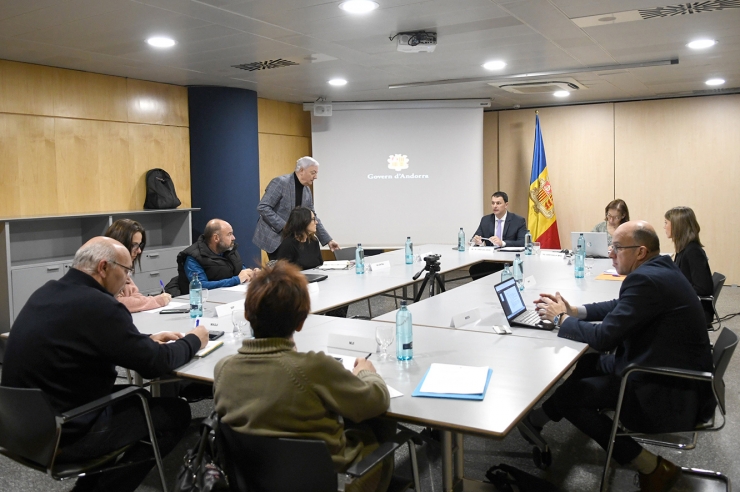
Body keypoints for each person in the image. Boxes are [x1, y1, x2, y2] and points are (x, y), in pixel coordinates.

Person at [1, 237, 208, 492]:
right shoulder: (100, 305)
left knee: (136, 398)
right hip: (66, 431)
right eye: (127, 271)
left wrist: (143, 340)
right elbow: (155, 364)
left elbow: (88, 338)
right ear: (103, 267)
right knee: (174, 412)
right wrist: (193, 340)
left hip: (18, 427)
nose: (127, 280)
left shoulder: (47, 292)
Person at [526, 221, 714, 492]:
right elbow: (620, 306)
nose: (611, 253)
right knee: (588, 362)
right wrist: (575, 310)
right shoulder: (659, 268)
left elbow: (605, 339)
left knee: (572, 397)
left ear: (640, 251)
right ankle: (539, 418)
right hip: (666, 366)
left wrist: (562, 319)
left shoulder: (646, 279)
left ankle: (651, 466)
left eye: (616, 248)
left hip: (666, 386)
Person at [214, 261, 393, 492]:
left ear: (247, 314)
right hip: (335, 482)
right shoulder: (314, 368)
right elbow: (376, 400)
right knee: (380, 425)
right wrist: (367, 372)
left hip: (256, 481)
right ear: (300, 322)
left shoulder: (223, 369)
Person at [253, 156, 340, 260]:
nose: (316, 177)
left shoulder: (307, 190)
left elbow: (313, 216)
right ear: (302, 170)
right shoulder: (280, 183)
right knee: (283, 272)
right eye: (313, 173)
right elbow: (263, 207)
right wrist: (285, 227)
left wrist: (328, 240)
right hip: (274, 237)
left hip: (293, 238)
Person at [174, 218, 257, 295]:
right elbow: (201, 286)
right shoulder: (193, 257)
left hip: (227, 295)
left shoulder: (229, 249)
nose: (233, 238)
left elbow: (238, 268)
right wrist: (237, 280)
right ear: (216, 238)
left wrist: (250, 274)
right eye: (229, 234)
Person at [104, 218, 171, 312]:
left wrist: (147, 301)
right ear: (120, 243)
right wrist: (156, 301)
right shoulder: (106, 270)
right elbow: (117, 302)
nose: (139, 251)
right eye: (134, 245)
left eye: (139, 245)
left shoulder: (124, 269)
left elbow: (134, 294)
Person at [664, 206, 714, 326]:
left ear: (677, 226)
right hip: (687, 303)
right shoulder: (683, 249)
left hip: (694, 309)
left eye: (666, 223)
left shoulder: (693, 251)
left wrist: (674, 290)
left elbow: (703, 288)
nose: (664, 227)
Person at [469, 191, 527, 279]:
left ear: (506, 205)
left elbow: (523, 242)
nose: (495, 206)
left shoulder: (518, 220)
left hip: (509, 260)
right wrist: (476, 241)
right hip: (491, 260)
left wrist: (502, 243)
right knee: (475, 270)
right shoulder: (486, 220)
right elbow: (474, 239)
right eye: (493, 203)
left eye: (498, 203)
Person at [274, 206, 323, 270]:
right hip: (297, 279)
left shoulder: (314, 241)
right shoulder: (288, 244)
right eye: (313, 219)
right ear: (303, 221)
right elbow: (283, 272)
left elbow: (320, 264)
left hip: (316, 277)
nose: (316, 222)